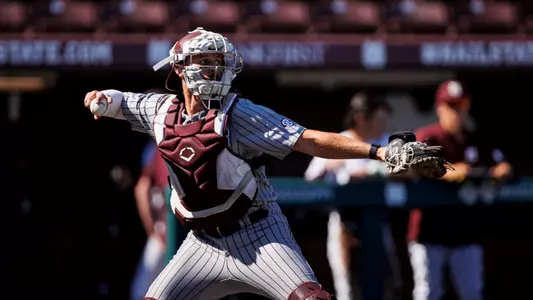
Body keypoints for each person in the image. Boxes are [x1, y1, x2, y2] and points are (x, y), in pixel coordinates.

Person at [82, 27, 429, 300]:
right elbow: (118, 101)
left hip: (258, 233)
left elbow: (307, 138)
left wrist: (378, 152)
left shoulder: (239, 112)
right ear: (179, 67)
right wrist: (98, 99)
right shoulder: (160, 111)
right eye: (204, 61)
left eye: (218, 62)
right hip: (202, 242)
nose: (213, 69)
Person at [408, 80, 513, 300]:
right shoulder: (429, 136)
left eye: (461, 105)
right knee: (428, 293)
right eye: (451, 106)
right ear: (439, 108)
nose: (457, 112)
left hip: (466, 231)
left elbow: (502, 163)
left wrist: (502, 170)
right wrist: (448, 171)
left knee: (471, 293)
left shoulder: (477, 138)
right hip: (430, 230)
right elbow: (411, 162)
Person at [304, 92, 393, 300]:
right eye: (379, 118)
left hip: (378, 219)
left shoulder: (387, 141)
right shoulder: (338, 141)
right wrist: (328, 166)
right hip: (342, 219)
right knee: (345, 286)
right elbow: (309, 180)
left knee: (382, 278)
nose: (383, 123)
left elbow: (409, 171)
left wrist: (372, 172)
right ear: (361, 118)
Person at [130, 140, 170, 300]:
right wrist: (153, 231)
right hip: (166, 226)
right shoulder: (155, 148)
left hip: (185, 227)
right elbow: (142, 189)